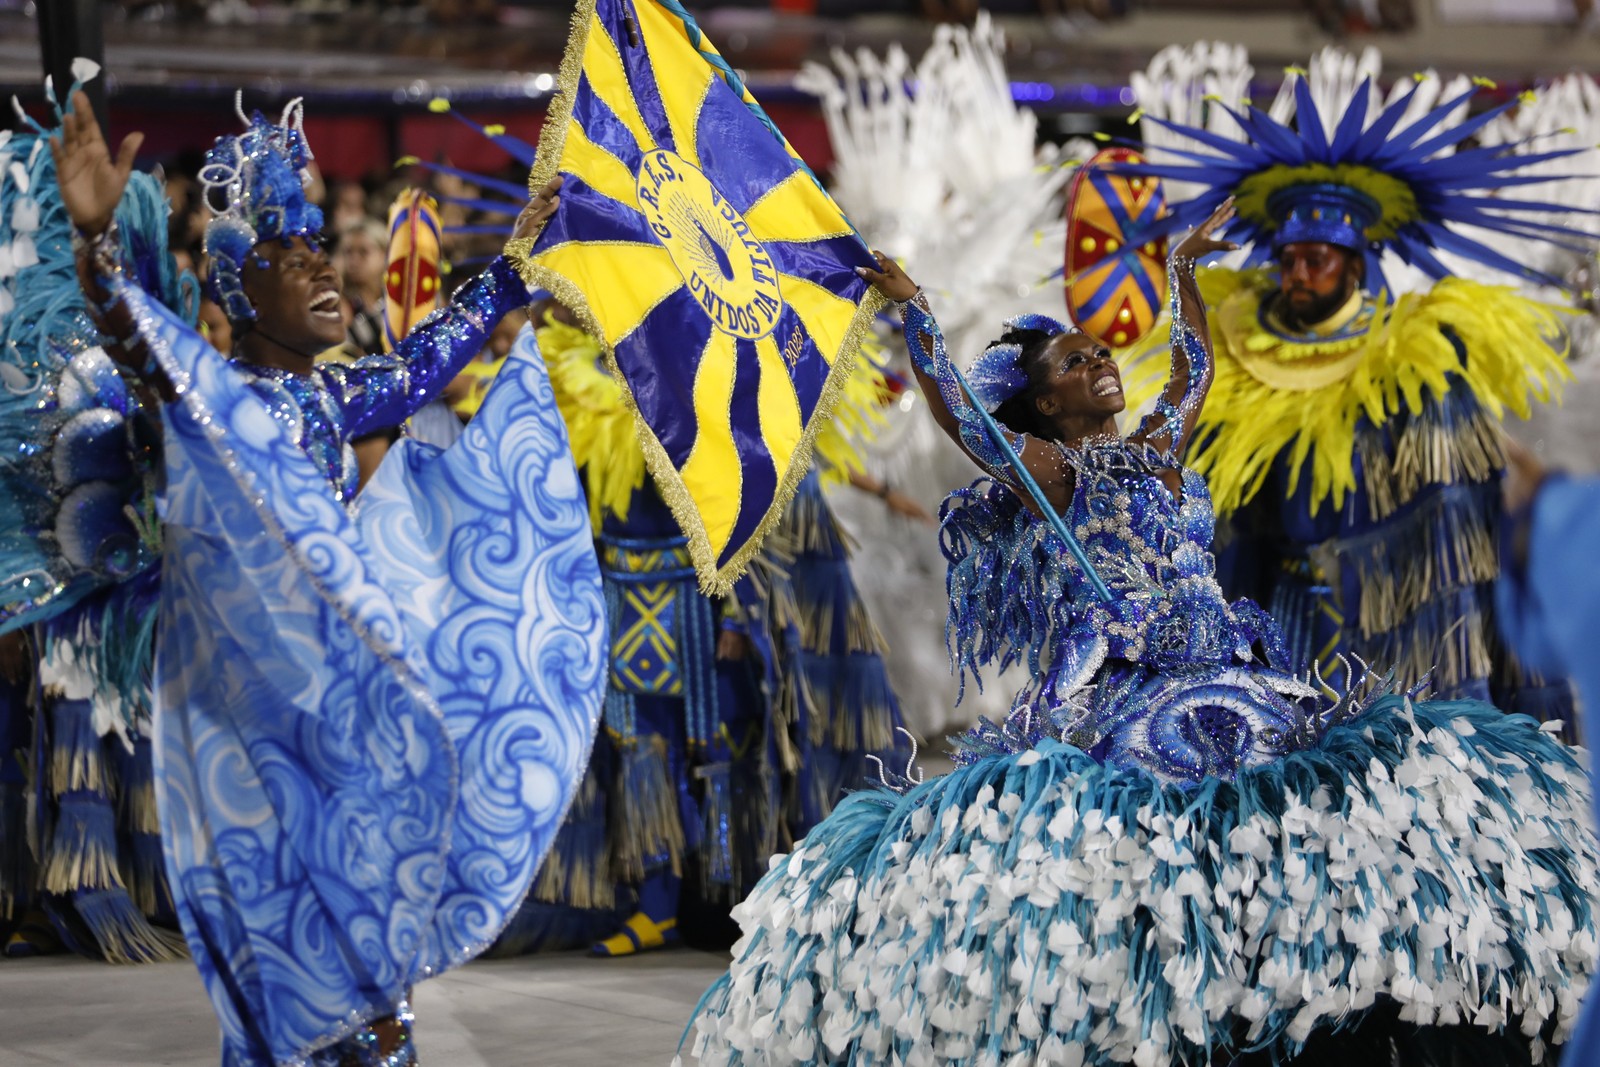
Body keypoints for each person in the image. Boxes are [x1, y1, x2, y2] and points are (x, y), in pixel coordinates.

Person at [680, 202, 1599, 1066]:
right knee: (1152, 847)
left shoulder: (1156, 448)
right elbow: (965, 419)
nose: (1101, 365)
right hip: (1129, 689)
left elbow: (1196, 366)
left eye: (1101, 355)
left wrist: (1182, 271)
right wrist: (919, 316)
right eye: (1075, 364)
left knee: (1313, 820)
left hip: (1236, 666)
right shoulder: (1055, 470)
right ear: (1044, 406)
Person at [52, 87, 606, 1067]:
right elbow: (145, 354)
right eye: (288, 255)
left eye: (321, 249)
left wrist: (514, 266)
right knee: (287, 953)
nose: (319, 267)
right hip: (251, 713)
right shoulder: (210, 397)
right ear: (232, 293)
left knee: (370, 925)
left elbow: (426, 363)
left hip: (343, 701)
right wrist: (99, 248)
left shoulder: (334, 394)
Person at [1121, 52, 1580, 731]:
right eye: (1287, 258)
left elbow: (1457, 526)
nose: (1297, 272)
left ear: (1354, 264)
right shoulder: (1234, 365)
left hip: (1391, 626)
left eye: (1316, 258)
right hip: (1275, 618)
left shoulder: (1413, 367)